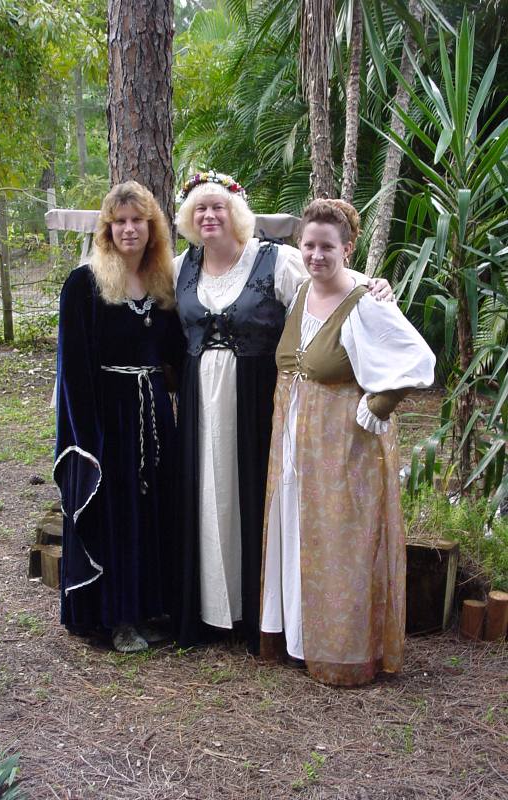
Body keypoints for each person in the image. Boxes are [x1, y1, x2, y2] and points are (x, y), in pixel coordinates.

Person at [173, 171, 393, 653]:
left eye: (218, 206)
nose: (209, 216)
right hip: (198, 404)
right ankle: (209, 611)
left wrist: (372, 286)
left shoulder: (276, 260)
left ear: (237, 212)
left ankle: (257, 613)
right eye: (200, 209)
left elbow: (328, 285)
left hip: (257, 401)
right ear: (189, 217)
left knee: (254, 497)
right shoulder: (180, 268)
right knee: (207, 496)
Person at [260, 199, 435, 685]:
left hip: (343, 442)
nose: (316, 255)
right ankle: (300, 638)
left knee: (341, 541)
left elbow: (418, 359)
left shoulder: (364, 301)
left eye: (327, 247)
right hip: (294, 439)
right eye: (309, 245)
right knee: (300, 532)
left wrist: (379, 405)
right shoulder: (300, 292)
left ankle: (341, 648)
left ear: (348, 248)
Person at [54, 181, 185, 653]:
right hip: (108, 418)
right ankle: (117, 617)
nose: (129, 229)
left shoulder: (162, 282)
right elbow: (73, 370)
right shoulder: (84, 284)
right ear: (107, 229)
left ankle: (149, 609)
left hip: (154, 414)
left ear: (153, 227)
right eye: (119, 221)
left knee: (152, 510)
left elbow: (176, 352)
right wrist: (89, 439)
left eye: (138, 221)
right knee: (116, 512)